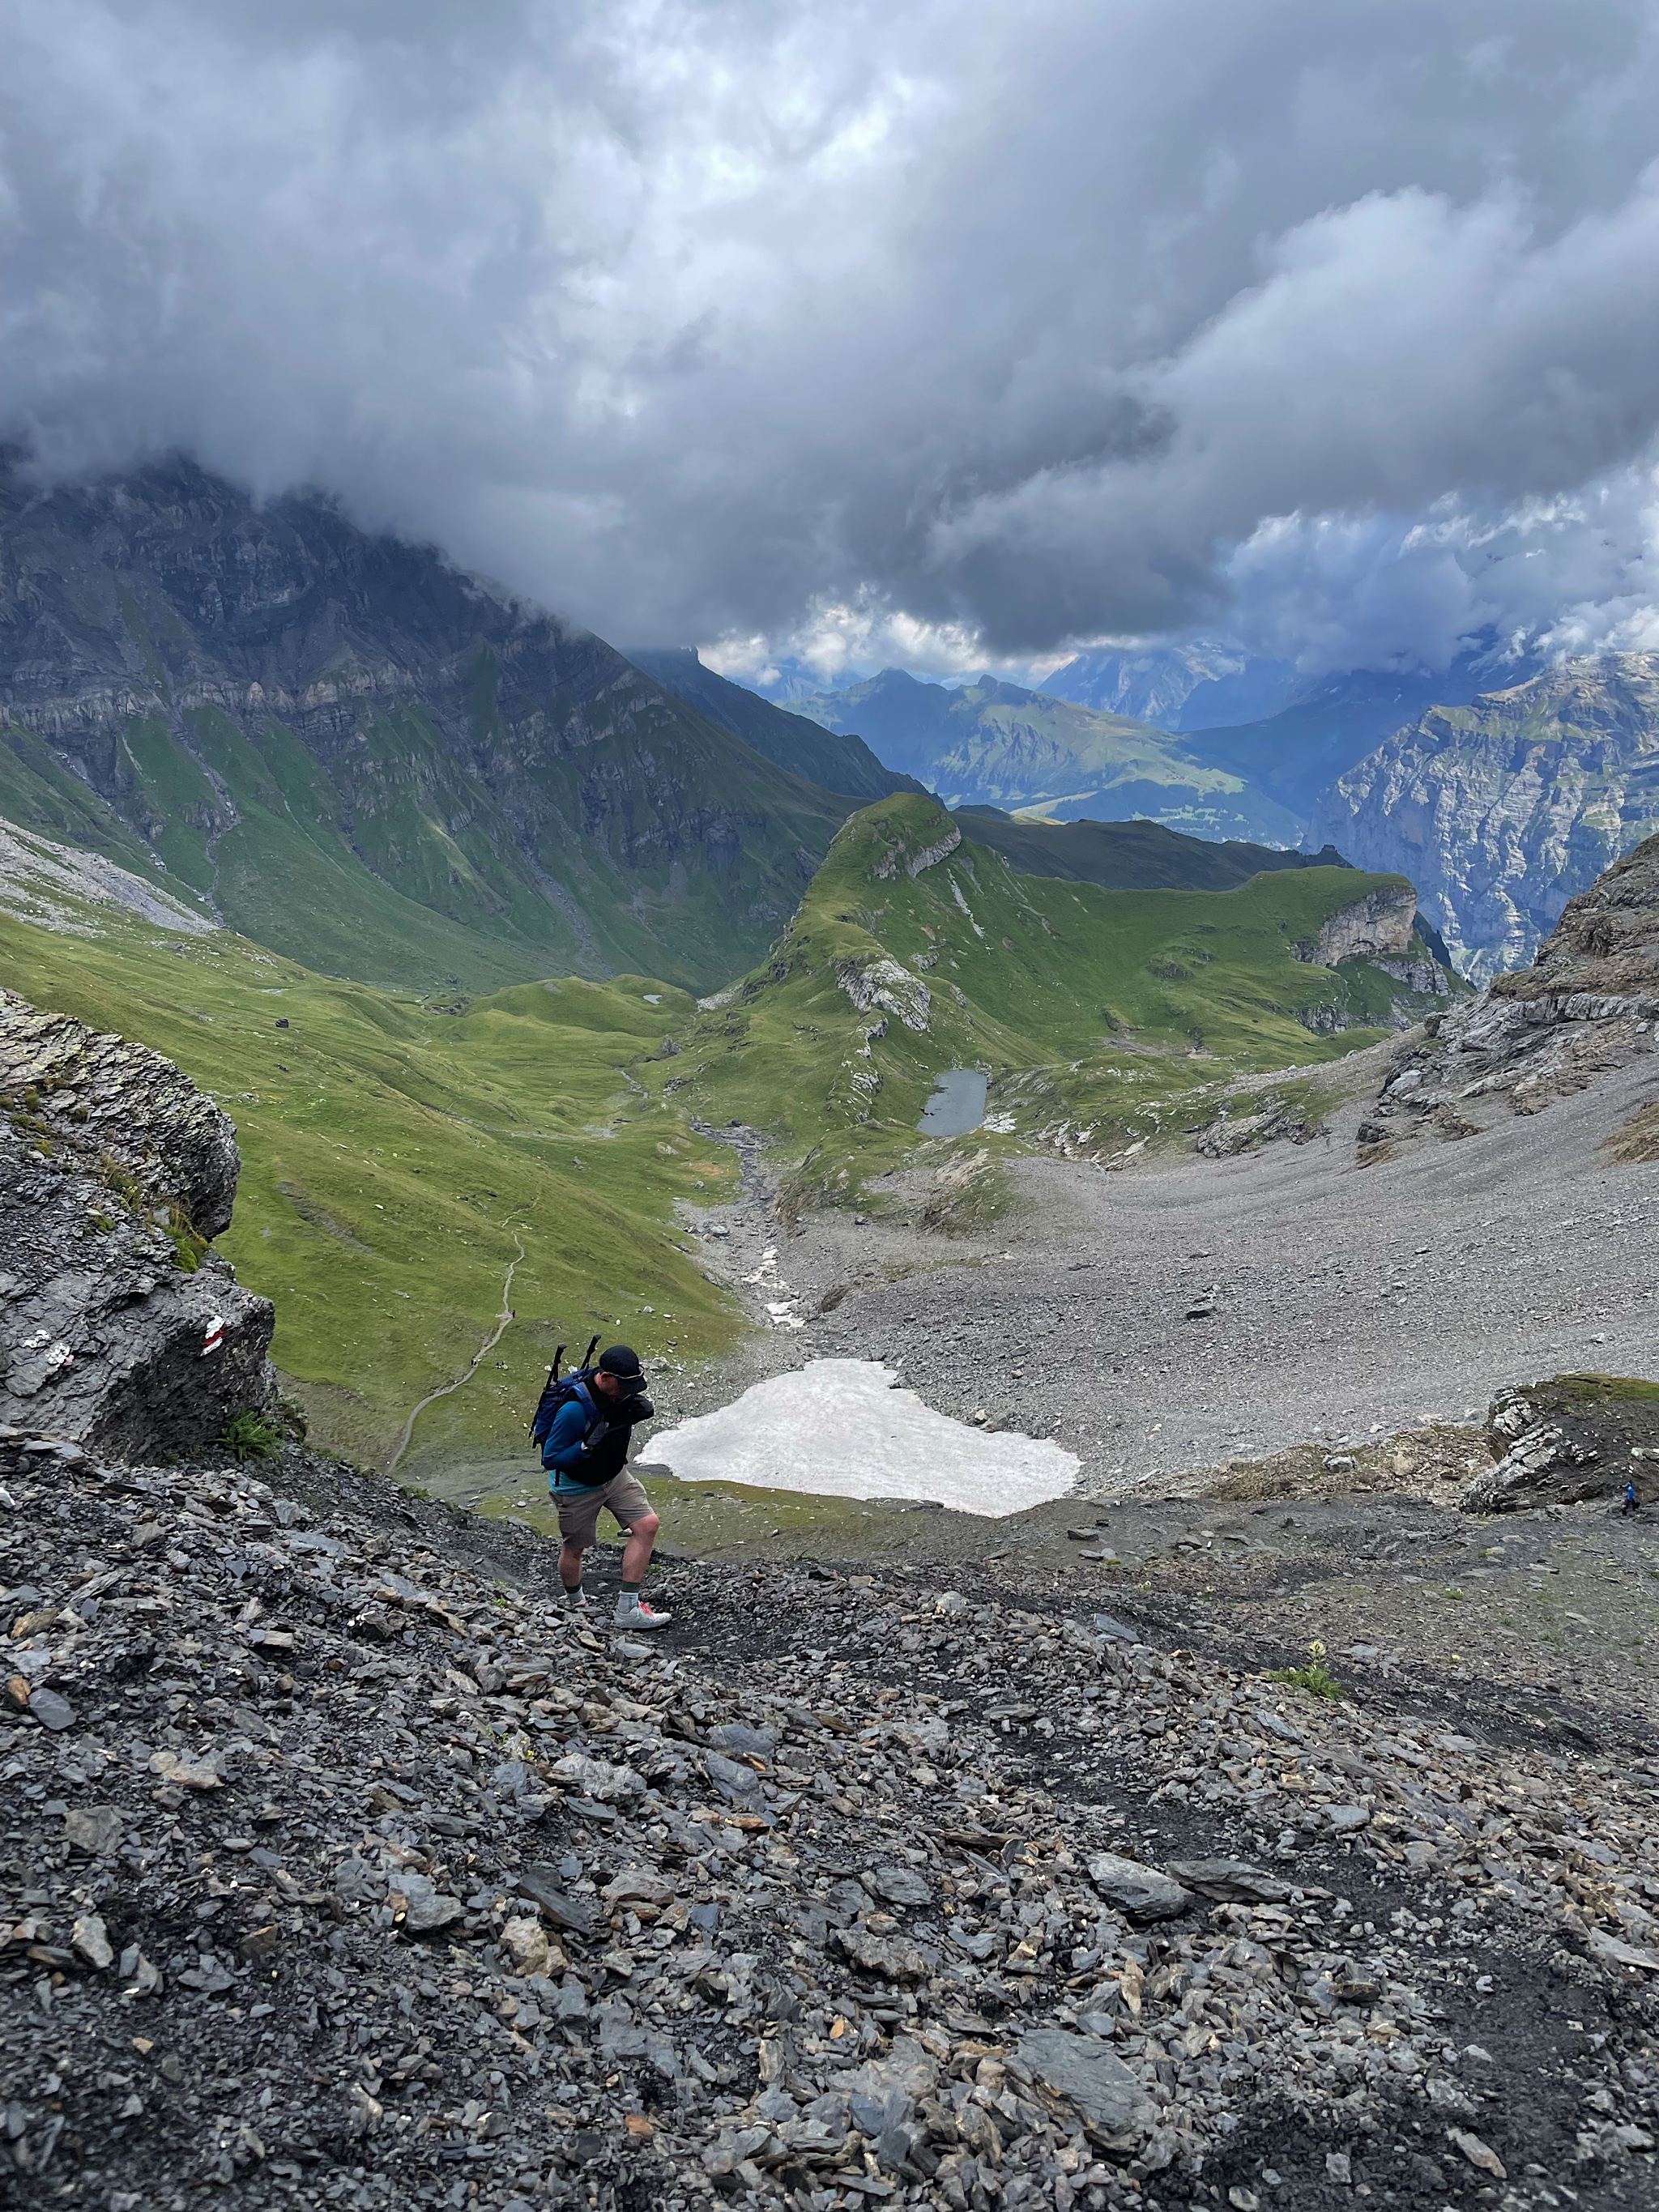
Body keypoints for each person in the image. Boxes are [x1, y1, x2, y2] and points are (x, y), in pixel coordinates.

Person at [539, 1344, 672, 1628]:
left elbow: (619, 1414)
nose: (628, 1392)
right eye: (624, 1387)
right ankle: (576, 1603)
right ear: (606, 1377)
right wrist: (584, 1447)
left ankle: (628, 1610)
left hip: (614, 1476)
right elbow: (550, 1458)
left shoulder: (620, 1395)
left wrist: (632, 1412)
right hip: (576, 1488)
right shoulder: (574, 1409)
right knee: (575, 1549)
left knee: (647, 1525)